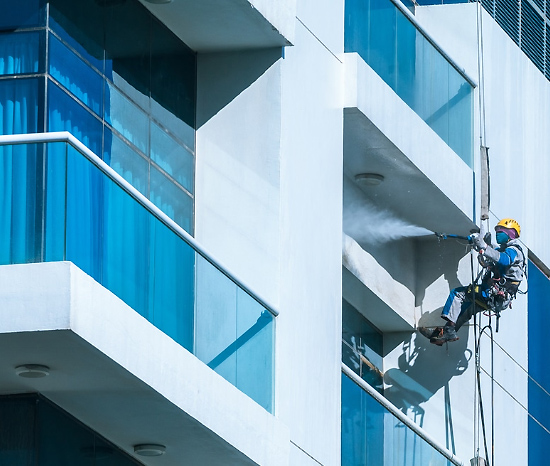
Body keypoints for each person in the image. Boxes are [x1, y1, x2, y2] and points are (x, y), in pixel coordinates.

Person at [430, 218, 525, 346]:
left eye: (501, 230)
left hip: (496, 295)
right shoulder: (503, 249)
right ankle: (444, 335)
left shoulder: (514, 250)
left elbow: (503, 259)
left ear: (511, 233)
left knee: (457, 294)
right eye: (497, 230)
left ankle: (448, 330)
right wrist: (478, 242)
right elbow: (492, 252)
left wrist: (484, 246)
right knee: (466, 309)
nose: (498, 233)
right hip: (495, 298)